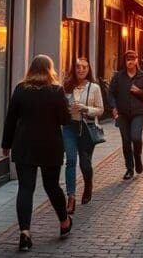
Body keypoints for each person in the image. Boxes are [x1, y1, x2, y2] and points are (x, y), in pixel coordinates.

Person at [1, 55, 72, 252]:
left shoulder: (21, 89)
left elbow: (10, 119)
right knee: (52, 186)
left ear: (31, 69)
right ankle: (64, 222)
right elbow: (64, 120)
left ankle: (25, 233)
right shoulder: (56, 91)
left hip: (24, 145)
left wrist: (6, 144)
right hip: (50, 145)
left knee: (25, 188)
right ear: (50, 69)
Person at [62, 58, 104, 213]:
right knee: (71, 161)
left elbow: (100, 109)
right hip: (69, 127)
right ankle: (71, 197)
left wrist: (85, 108)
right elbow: (60, 106)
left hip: (86, 128)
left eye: (84, 67)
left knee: (85, 163)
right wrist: (67, 109)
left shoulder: (94, 88)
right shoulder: (66, 86)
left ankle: (88, 185)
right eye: (78, 67)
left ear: (88, 69)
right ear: (74, 69)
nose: (81, 70)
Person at [108, 50, 143, 179]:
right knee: (126, 141)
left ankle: (137, 156)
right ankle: (129, 168)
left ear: (137, 60)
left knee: (136, 138)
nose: (131, 61)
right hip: (122, 113)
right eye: (128, 58)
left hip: (138, 112)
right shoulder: (118, 77)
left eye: (133, 58)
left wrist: (139, 91)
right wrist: (113, 107)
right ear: (125, 60)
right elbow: (111, 93)